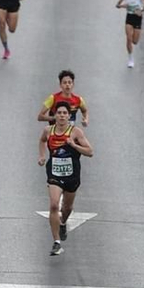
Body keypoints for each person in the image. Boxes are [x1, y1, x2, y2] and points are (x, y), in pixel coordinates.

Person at [38, 100, 93, 258]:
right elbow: (42, 141)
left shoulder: (76, 132)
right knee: (54, 205)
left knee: (67, 208)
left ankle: (62, 223)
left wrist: (74, 145)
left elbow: (90, 152)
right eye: (59, 113)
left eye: (64, 113)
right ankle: (57, 242)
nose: (61, 116)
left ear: (69, 116)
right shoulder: (48, 130)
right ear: (55, 115)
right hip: (54, 173)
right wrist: (42, 156)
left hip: (72, 175)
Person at [117, 0, 144, 67]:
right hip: (129, 17)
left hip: (137, 17)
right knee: (128, 38)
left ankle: (136, 35)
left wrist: (141, 10)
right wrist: (123, 5)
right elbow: (118, 4)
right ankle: (130, 59)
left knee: (135, 41)